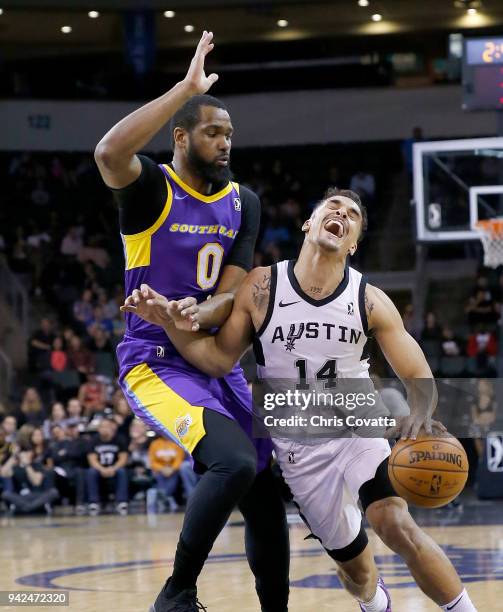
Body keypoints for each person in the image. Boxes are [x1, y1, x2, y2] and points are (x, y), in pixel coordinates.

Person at [123, 187, 478, 612]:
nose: (341, 214)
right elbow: (217, 360)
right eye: (332, 206)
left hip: (356, 429)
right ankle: (374, 601)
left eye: (352, 216)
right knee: (359, 573)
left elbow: (417, 374)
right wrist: (170, 324)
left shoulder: (368, 299)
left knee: (394, 522)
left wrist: (421, 415)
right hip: (300, 451)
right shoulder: (262, 286)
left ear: (353, 243)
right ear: (308, 223)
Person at [95, 31, 289, 612]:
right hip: (154, 359)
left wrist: (194, 312)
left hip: (210, 355)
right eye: (212, 131)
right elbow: (108, 153)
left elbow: (230, 291)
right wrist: (183, 88)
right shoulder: (151, 188)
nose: (225, 142)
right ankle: (175, 592)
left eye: (230, 133)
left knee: (262, 485)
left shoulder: (242, 202)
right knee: (230, 461)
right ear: (180, 137)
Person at [86, 417, 129, 516]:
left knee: (122, 472)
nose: (105, 429)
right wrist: (102, 469)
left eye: (107, 427)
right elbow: (92, 459)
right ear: (99, 429)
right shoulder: (94, 440)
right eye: (102, 427)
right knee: (91, 472)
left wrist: (113, 468)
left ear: (112, 428)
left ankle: (121, 501)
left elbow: (123, 458)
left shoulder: (119, 439)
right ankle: (94, 502)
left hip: (115, 467)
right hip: (99, 468)